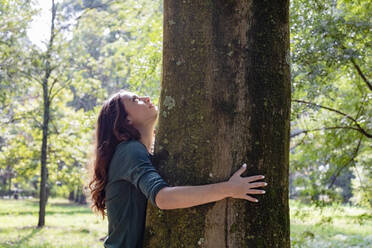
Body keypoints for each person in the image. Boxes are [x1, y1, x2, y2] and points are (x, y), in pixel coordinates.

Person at [89, 90, 267, 248]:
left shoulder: (139, 151)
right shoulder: (129, 151)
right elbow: (163, 198)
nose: (147, 98)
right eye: (136, 100)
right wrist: (229, 189)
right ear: (126, 120)